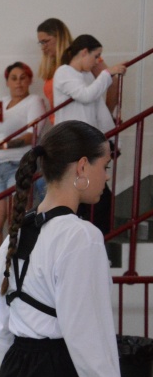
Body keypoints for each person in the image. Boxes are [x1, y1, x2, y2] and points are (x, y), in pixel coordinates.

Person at [0, 120, 153, 377]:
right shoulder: (80, 237)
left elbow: (3, 333)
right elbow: (91, 348)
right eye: (104, 166)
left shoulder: (13, 239)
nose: (106, 177)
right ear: (81, 167)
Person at [54, 34, 126, 234]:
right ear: (83, 52)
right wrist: (107, 74)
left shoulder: (86, 76)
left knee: (96, 196)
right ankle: (89, 239)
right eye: (96, 56)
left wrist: (111, 139)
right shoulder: (64, 72)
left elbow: (98, 109)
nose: (97, 62)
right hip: (72, 142)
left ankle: (96, 239)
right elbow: (85, 96)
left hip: (87, 141)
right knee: (85, 194)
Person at [0, 62, 47, 260]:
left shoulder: (34, 102)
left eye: (23, 78)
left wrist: (3, 146)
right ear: (7, 81)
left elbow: (32, 135)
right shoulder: (1, 103)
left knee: (17, 222)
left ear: (30, 80)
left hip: (18, 166)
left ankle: (13, 271)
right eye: (14, 78)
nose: (18, 83)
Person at [36, 18, 73, 121]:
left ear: (60, 38)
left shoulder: (81, 58)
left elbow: (112, 80)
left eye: (46, 41)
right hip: (59, 125)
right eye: (41, 43)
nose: (43, 47)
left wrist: (106, 113)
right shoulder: (51, 68)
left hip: (76, 125)